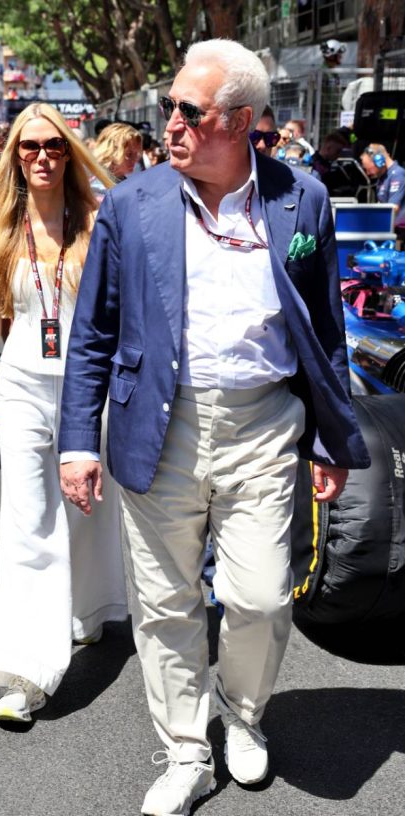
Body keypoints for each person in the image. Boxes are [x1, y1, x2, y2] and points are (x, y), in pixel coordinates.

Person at [59, 39, 370, 815]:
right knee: (164, 605)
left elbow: (323, 330)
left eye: (187, 111)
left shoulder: (302, 200)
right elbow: (92, 332)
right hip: (156, 424)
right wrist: (74, 441)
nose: (170, 123)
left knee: (261, 597)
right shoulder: (132, 204)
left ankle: (243, 715)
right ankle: (185, 749)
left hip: (264, 422)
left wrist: (331, 439)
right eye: (168, 108)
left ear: (238, 120)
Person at [0, 102, 128, 723]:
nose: (41, 157)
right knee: (29, 520)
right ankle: (29, 672)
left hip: (91, 388)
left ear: (69, 153)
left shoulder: (98, 221)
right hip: (25, 385)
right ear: (14, 155)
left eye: (53, 147)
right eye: (29, 147)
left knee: (88, 510)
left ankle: (86, 612)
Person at [360, 143, 405, 228]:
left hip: (399, 233)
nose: (368, 173)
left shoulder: (397, 175)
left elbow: (392, 208)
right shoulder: (383, 177)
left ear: (379, 161)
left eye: (368, 169)